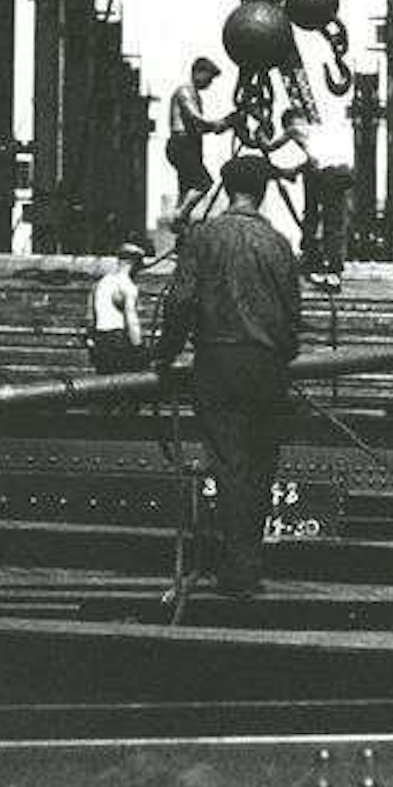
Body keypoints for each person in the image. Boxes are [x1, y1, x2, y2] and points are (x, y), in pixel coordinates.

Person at [154, 153, 302, 598]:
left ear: (226, 184)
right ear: (266, 190)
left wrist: (164, 355)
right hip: (267, 366)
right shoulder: (278, 243)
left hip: (217, 362)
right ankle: (248, 565)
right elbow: (293, 315)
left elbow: (180, 302)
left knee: (229, 464)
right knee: (259, 466)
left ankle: (236, 570)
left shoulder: (204, 238)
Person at [266, 107, 355, 284]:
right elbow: (311, 161)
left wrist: (260, 138)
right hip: (343, 173)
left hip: (327, 175)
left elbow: (271, 146)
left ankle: (317, 260)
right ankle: (334, 264)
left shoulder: (294, 129)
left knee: (315, 217)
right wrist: (290, 172)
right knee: (334, 221)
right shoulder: (319, 132)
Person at [167, 56, 235, 231]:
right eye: (209, 78)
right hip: (182, 144)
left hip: (190, 144)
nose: (210, 83)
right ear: (198, 72)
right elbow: (194, 117)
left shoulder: (195, 95)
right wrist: (216, 123)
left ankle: (181, 222)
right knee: (204, 183)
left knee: (186, 188)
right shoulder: (185, 92)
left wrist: (221, 125)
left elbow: (199, 128)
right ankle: (179, 216)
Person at [89, 239, 149, 376]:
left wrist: (91, 341)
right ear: (134, 264)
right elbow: (132, 321)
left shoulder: (102, 283)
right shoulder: (127, 286)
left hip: (101, 341)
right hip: (119, 342)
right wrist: (139, 348)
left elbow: (91, 317)